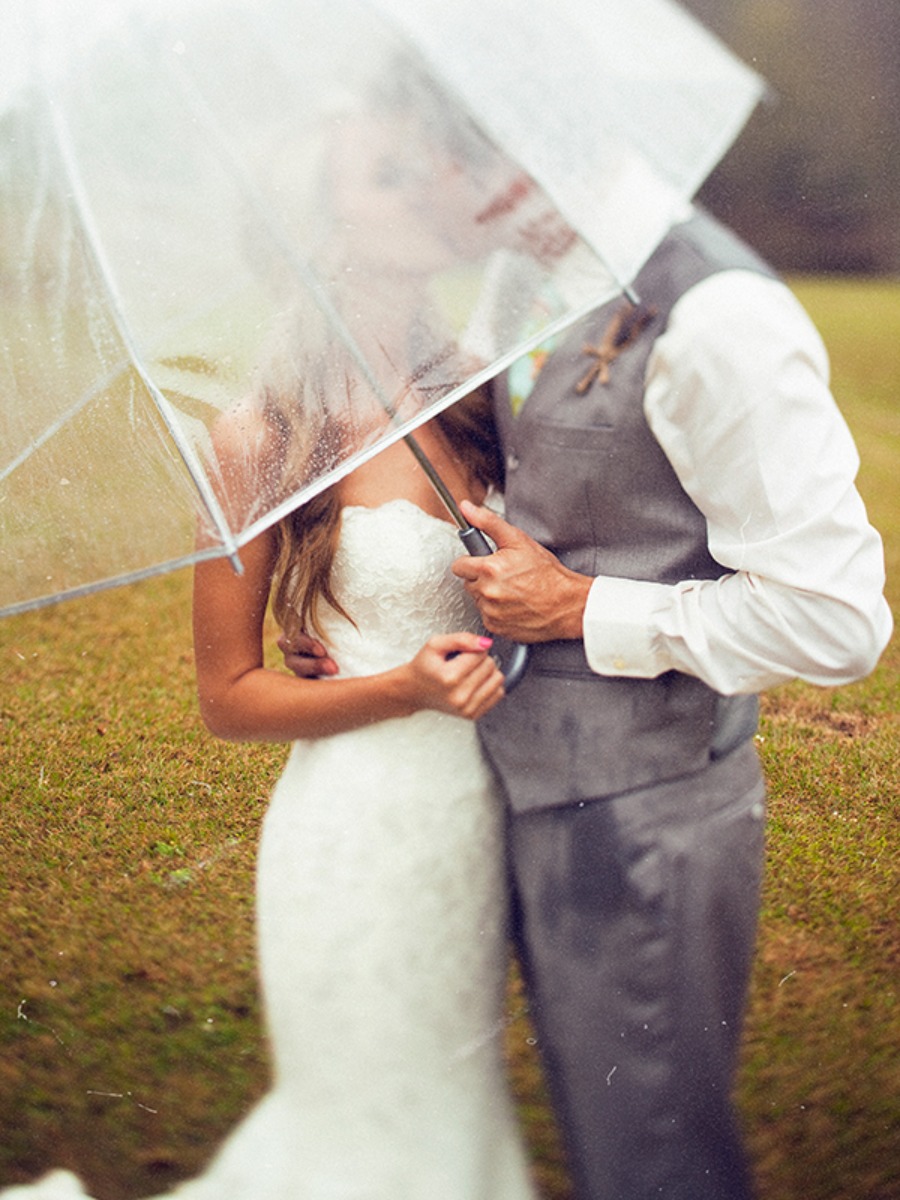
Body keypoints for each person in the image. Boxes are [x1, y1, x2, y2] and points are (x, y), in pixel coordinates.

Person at [283, 205, 893, 1200]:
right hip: (512, 795)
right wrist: (355, 603)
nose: (443, 189)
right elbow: (538, 487)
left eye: (450, 155)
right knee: (605, 1137)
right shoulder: (525, 277)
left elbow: (838, 624)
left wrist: (583, 607)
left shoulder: (717, 313)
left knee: (653, 1156)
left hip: (645, 809)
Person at [3, 394, 540, 1200]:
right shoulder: (264, 434)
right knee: (355, 1099)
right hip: (352, 823)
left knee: (449, 1078)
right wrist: (402, 684)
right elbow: (227, 699)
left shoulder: (477, 397)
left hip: (471, 816)